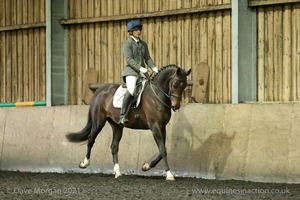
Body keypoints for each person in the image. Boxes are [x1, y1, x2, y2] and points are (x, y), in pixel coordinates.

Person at [119, 20, 158, 125]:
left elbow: (147, 58)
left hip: (142, 72)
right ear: (131, 31)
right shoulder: (127, 44)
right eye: (136, 30)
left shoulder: (143, 44)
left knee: (149, 89)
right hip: (131, 72)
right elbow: (129, 59)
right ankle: (123, 115)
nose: (138, 31)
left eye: (139, 29)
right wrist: (140, 68)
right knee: (131, 91)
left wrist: (153, 67)